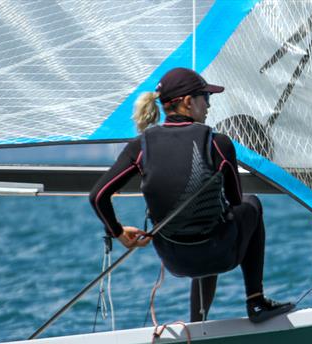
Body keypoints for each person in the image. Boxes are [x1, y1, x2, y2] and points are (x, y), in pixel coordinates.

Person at [90, 67, 293, 324]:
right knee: (250, 205)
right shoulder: (218, 143)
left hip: (173, 259)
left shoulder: (140, 145)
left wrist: (118, 233)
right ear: (188, 102)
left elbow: (97, 196)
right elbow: (235, 200)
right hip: (219, 252)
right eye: (205, 98)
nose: (208, 106)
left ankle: (198, 322)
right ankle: (255, 300)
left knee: (205, 225)